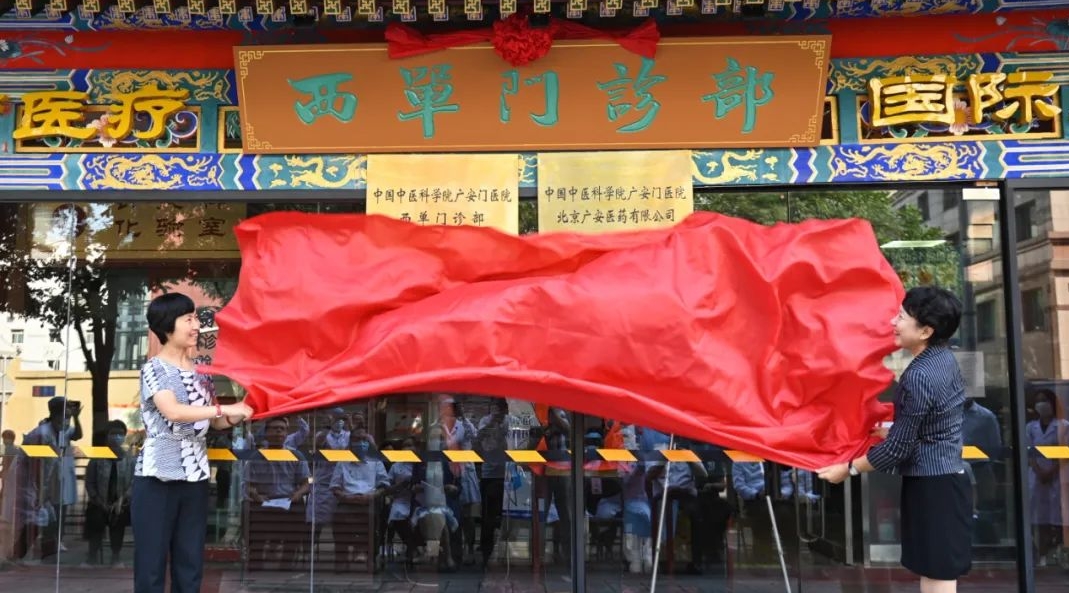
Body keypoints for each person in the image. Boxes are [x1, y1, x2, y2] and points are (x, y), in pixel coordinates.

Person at [818, 286, 971, 593]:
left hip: (933, 486)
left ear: (926, 331)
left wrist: (847, 469)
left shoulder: (919, 375)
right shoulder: (944, 360)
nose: (893, 322)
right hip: (944, 479)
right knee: (935, 570)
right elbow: (935, 423)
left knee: (938, 572)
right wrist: (894, 431)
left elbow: (898, 450)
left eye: (901, 317)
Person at [131, 292, 252, 593]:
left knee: (190, 564)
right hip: (157, 479)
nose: (196, 325)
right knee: (151, 567)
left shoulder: (201, 372)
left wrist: (241, 412)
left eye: (196, 318)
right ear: (167, 327)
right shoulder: (154, 369)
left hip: (195, 476)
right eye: (188, 319)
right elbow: (173, 411)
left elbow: (214, 422)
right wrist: (224, 409)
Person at [83, 420, 133, 567]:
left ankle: (116, 557)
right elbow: (90, 482)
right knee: (96, 519)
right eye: (113, 434)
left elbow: (134, 483)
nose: (117, 437)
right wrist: (98, 500)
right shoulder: (97, 458)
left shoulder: (129, 459)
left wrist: (122, 500)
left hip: (121, 503)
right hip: (99, 502)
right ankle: (92, 557)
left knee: (119, 520)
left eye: (120, 434)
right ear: (107, 436)